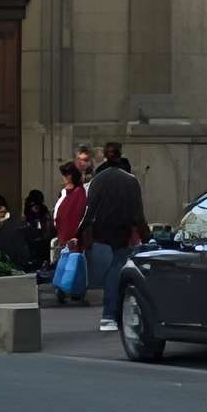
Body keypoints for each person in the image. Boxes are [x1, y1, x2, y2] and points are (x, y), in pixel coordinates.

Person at [81, 143, 147, 335]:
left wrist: (82, 233)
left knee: (110, 273)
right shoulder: (130, 181)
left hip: (99, 233)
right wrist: (147, 237)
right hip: (121, 232)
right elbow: (138, 214)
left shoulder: (97, 180)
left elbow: (88, 210)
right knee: (118, 271)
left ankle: (112, 315)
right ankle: (111, 314)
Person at [49, 161, 91, 303]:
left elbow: (79, 213)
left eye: (66, 175)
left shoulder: (78, 193)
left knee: (72, 261)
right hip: (66, 232)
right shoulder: (67, 193)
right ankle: (73, 290)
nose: (64, 178)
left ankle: (68, 289)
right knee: (72, 260)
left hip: (73, 233)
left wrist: (75, 233)